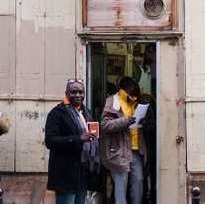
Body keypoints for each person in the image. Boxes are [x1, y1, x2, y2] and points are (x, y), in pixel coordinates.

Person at [45, 78, 99, 204]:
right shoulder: (57, 113)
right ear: (66, 93)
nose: (78, 95)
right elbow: (50, 141)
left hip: (83, 171)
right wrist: (78, 138)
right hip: (65, 172)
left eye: (81, 92)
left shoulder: (86, 112)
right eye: (74, 92)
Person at [100, 76, 146, 204]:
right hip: (119, 151)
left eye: (135, 95)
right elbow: (105, 125)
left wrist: (142, 121)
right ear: (124, 91)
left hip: (136, 150)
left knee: (138, 182)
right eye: (132, 94)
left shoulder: (136, 102)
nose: (134, 98)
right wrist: (126, 120)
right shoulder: (113, 101)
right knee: (121, 186)